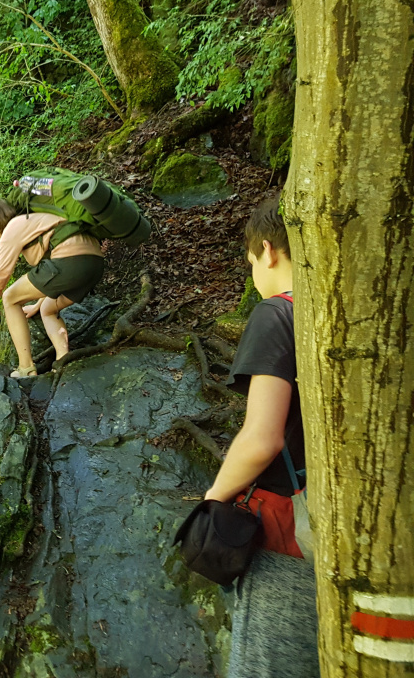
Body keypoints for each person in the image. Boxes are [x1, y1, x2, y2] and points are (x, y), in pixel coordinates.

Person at [204, 196, 318, 678]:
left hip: (291, 533)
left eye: (251, 261)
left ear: (267, 251)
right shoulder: (343, 310)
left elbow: (262, 438)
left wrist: (213, 499)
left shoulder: (277, 313)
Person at [0, 198, 105, 377]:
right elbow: (52, 271)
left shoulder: (11, 229)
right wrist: (37, 304)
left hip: (69, 261)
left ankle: (26, 368)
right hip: (95, 264)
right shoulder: (35, 221)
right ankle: (63, 361)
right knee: (48, 309)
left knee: (10, 298)